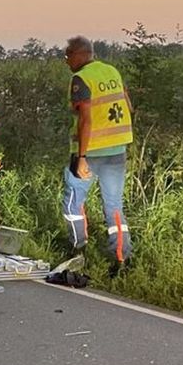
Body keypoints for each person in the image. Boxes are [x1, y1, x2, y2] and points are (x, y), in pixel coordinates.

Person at [61, 35, 134, 275]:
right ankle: (122, 259)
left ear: (79, 54)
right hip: (118, 150)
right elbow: (128, 106)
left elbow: (85, 118)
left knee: (73, 201)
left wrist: (81, 157)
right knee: (114, 205)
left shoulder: (81, 79)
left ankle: (77, 249)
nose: (66, 61)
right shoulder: (112, 71)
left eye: (67, 55)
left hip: (90, 152)